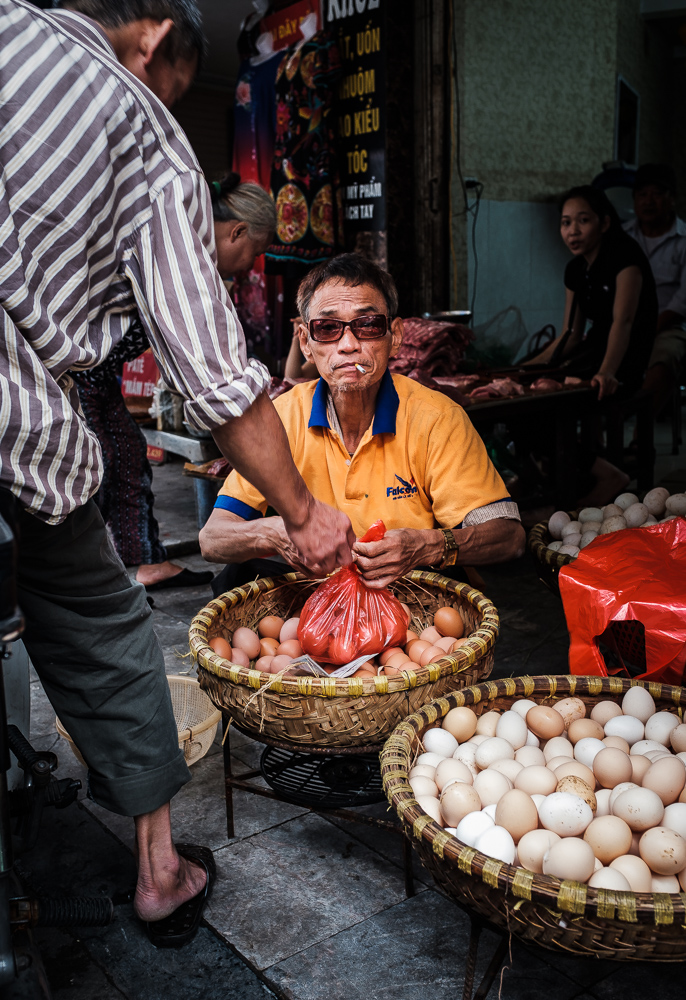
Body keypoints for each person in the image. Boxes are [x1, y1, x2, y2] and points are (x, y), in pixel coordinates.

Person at [0, 0, 353, 948]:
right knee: (100, 618)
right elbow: (211, 371)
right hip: (16, 413)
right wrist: (307, 513)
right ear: (154, 32)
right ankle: (160, 871)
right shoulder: (141, 130)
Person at [200, 254, 526, 592]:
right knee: (236, 579)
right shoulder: (281, 417)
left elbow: (509, 536)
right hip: (316, 597)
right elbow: (212, 539)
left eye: (368, 325)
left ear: (395, 336)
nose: (348, 345)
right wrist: (279, 532)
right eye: (327, 328)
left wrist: (427, 546)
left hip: (412, 597)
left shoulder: (436, 418)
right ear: (305, 343)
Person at [73, 173, 277, 590]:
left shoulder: (191, 261)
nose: (250, 266)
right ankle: (86, 582)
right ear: (237, 232)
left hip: (99, 373)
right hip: (69, 370)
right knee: (94, 465)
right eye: (255, 252)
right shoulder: (175, 248)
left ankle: (145, 562)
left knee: (127, 455)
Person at [526, 185, 658, 504]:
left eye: (583, 221)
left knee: (552, 408)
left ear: (605, 222)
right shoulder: (576, 268)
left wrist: (607, 373)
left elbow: (623, 323)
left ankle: (608, 475)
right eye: (566, 222)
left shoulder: (626, 258)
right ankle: (551, 481)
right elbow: (570, 332)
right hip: (592, 351)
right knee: (527, 397)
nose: (573, 231)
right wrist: (528, 366)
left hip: (624, 358)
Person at [624, 164, 686, 421]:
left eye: (657, 194)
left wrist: (644, 330)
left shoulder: (684, 240)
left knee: (664, 356)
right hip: (624, 324)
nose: (649, 201)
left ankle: (641, 438)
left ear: (672, 199)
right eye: (642, 194)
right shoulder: (622, 236)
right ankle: (598, 440)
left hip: (670, 328)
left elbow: (682, 302)